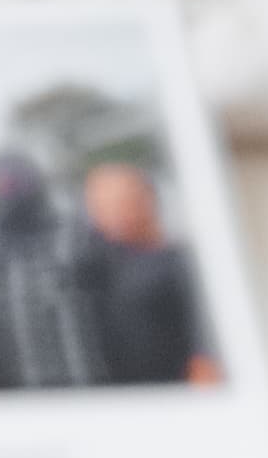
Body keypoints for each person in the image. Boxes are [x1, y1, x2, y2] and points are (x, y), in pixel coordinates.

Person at [0, 146, 109, 392]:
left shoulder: (77, 235)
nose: (7, 193)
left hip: (83, 382)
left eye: (14, 183)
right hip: (16, 390)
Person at [80, 155, 214, 386]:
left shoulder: (182, 263)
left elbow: (205, 352)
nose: (113, 213)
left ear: (148, 197)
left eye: (122, 202)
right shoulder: (97, 264)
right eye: (101, 205)